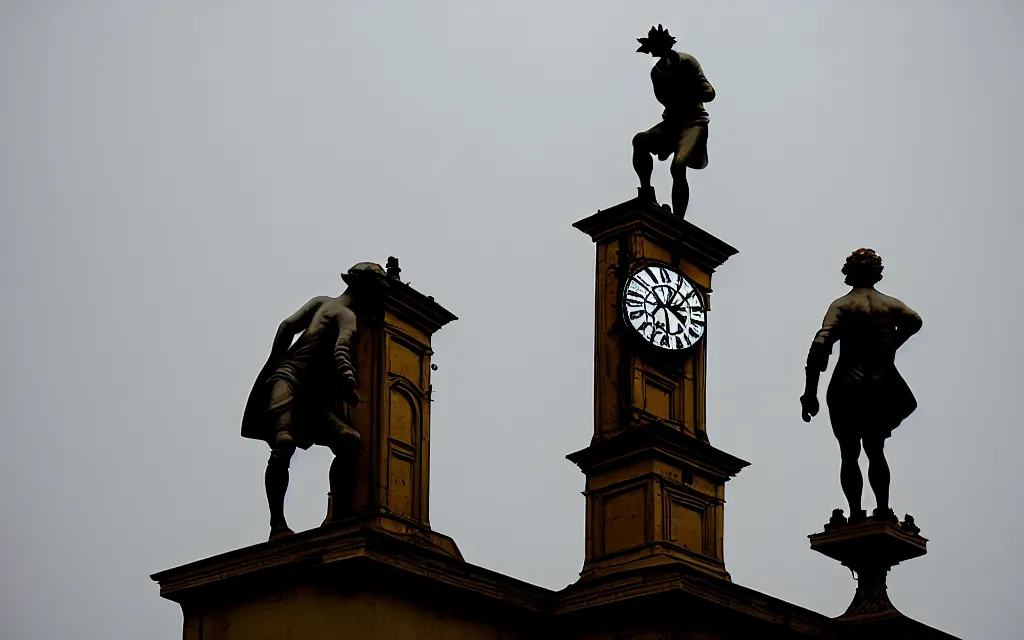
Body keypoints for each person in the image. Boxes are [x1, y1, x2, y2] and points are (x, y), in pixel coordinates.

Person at [241, 262, 388, 539]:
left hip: (306, 391)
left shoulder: (322, 302)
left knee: (348, 440)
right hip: (290, 381)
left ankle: (334, 517)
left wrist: (275, 359)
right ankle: (278, 525)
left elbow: (287, 327)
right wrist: (348, 380)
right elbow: (341, 350)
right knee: (285, 441)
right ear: (364, 287)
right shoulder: (346, 315)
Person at [800, 249, 922, 523]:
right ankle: (882, 509)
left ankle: (855, 513)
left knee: (849, 452)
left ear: (849, 272)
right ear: (876, 272)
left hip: (848, 383)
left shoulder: (842, 305)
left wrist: (810, 392)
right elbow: (915, 321)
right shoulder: (890, 305)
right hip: (880, 383)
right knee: (875, 449)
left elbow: (820, 345)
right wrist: (891, 345)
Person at [632, 24, 716, 219]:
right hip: (672, 123)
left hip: (694, 123)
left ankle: (678, 219)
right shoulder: (657, 72)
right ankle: (646, 192)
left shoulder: (687, 62)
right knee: (640, 140)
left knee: (678, 166)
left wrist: (687, 93)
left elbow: (709, 93)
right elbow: (663, 99)